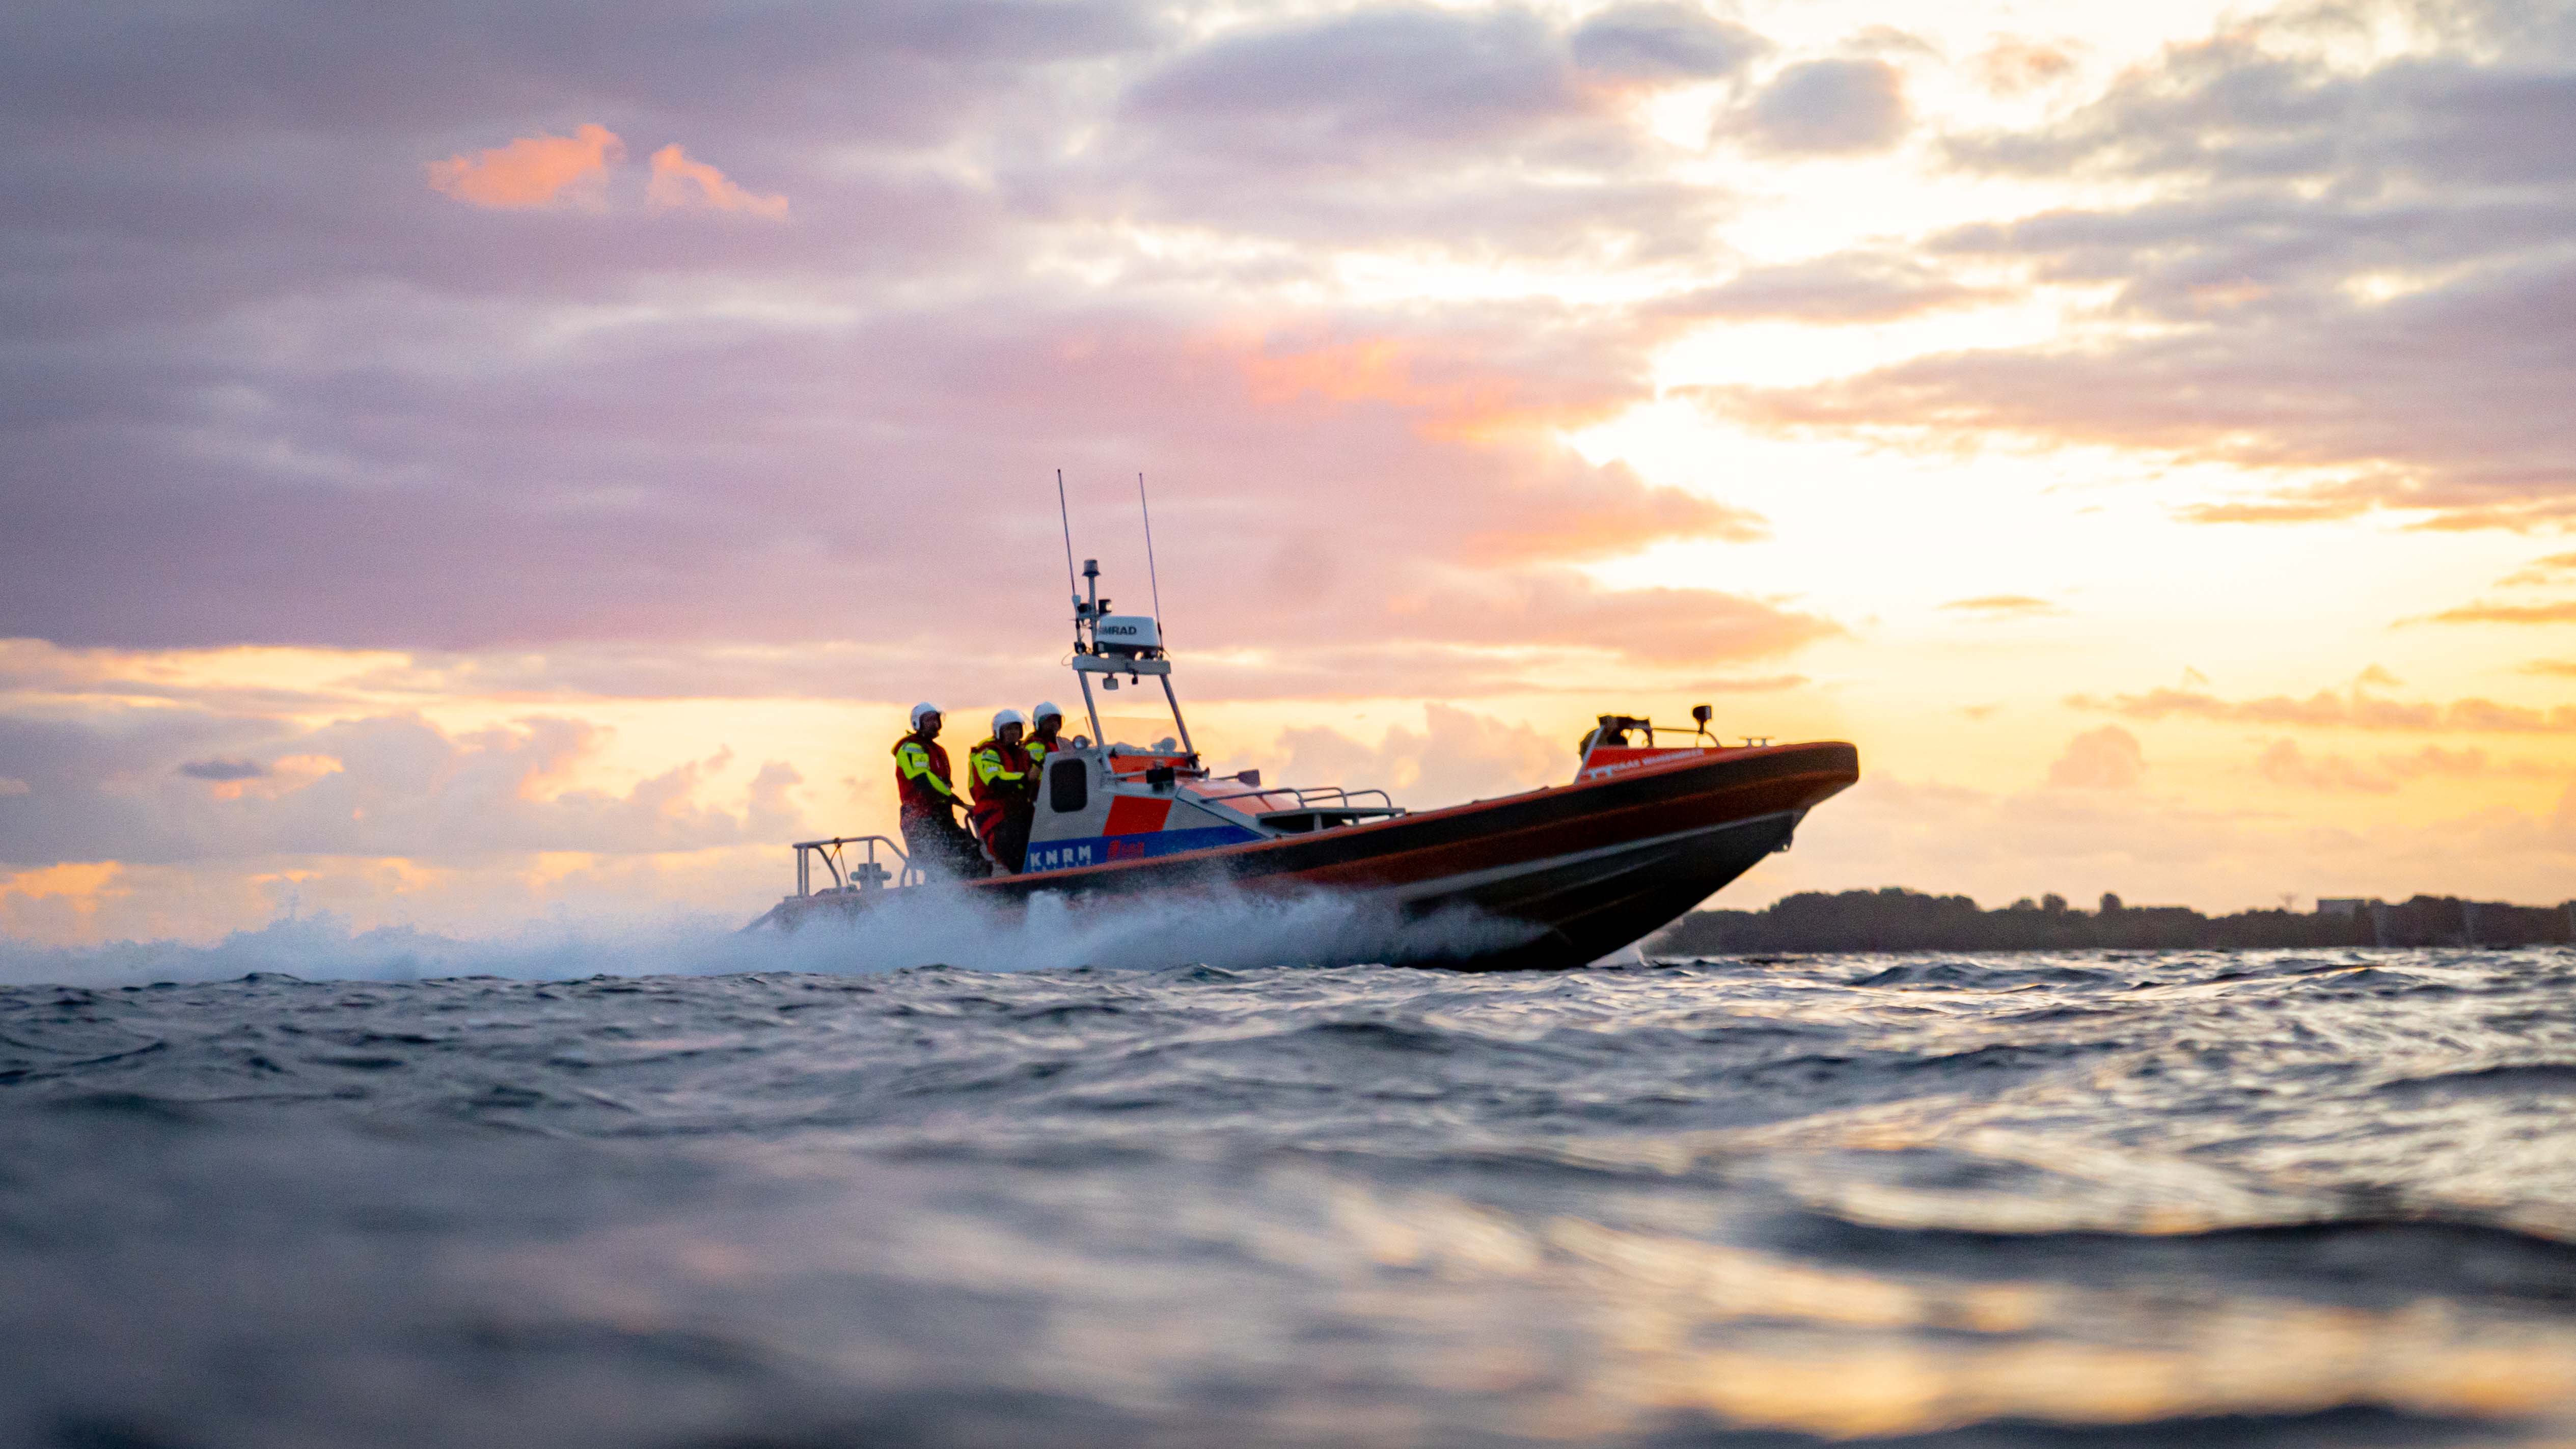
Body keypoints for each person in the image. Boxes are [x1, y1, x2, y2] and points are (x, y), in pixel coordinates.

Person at [892, 702, 981, 880]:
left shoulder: (938, 750)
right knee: (944, 863)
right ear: (918, 723)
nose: (934, 724)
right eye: (929, 720)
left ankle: (974, 894)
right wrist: (960, 803)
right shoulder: (911, 748)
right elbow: (924, 781)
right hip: (920, 819)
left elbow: (940, 784)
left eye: (936, 720)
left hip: (942, 816)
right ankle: (939, 898)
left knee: (973, 853)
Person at [968, 708, 1037, 873]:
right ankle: (1020, 876)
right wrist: (1025, 778)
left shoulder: (1024, 755)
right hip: (994, 813)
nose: (1014, 733)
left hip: (1019, 809)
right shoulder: (988, 753)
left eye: (1016, 729)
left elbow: (1038, 777)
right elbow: (995, 780)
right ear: (999, 731)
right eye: (1009, 729)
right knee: (1014, 838)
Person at [1025, 701, 1066, 776]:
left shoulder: (1063, 742)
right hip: (1045, 785)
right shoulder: (1033, 745)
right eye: (1049, 721)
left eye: (1056, 720)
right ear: (1038, 724)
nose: (1053, 724)